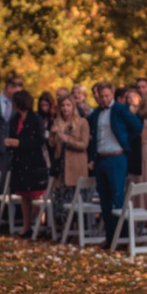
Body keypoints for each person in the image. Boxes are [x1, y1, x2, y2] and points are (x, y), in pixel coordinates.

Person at [87, 81, 142, 245]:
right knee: (104, 199)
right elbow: (94, 137)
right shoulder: (96, 113)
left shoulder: (120, 109)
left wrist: (125, 141)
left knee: (117, 196)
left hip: (117, 157)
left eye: (107, 96)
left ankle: (122, 237)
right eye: (101, 96)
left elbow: (137, 126)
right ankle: (110, 237)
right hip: (101, 157)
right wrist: (92, 158)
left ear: (112, 94)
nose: (104, 99)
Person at [4, 89, 49, 235]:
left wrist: (20, 143)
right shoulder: (14, 120)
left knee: (35, 195)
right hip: (20, 163)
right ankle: (26, 225)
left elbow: (39, 140)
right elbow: (12, 134)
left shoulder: (35, 119)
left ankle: (40, 224)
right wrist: (9, 143)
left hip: (34, 163)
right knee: (24, 195)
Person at [50, 95, 90, 224]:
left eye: (68, 105)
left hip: (76, 167)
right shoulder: (57, 122)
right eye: (62, 105)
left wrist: (68, 140)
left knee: (75, 202)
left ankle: (77, 228)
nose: (65, 108)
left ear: (73, 106)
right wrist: (52, 134)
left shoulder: (82, 122)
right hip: (60, 168)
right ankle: (63, 229)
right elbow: (51, 144)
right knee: (60, 204)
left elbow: (84, 145)